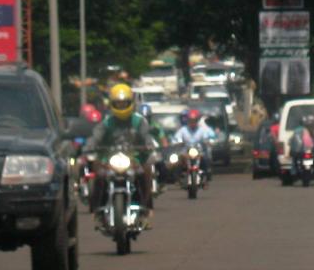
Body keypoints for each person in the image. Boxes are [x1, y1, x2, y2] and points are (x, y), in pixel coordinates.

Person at [83, 83, 158, 216]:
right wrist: (90, 145)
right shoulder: (107, 122)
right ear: (112, 104)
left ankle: (146, 205)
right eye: (118, 104)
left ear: (131, 103)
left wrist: (148, 144)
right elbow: (96, 136)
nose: (122, 107)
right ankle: (96, 207)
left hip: (134, 157)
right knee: (99, 174)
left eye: (125, 103)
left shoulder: (139, 121)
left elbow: (146, 135)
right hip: (109, 158)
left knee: (145, 171)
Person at [171, 108, 216, 181]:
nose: (192, 123)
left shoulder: (202, 130)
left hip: (199, 152)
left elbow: (207, 138)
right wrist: (177, 141)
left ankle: (206, 177)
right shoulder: (183, 130)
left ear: (197, 121)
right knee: (177, 162)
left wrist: (208, 141)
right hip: (185, 152)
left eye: (194, 120)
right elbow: (176, 138)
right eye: (191, 120)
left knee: (206, 161)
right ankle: (177, 178)